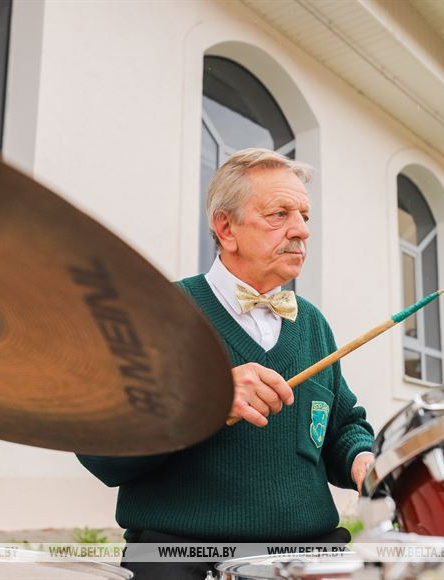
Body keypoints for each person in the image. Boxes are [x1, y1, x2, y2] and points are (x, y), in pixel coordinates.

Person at [77, 148, 375, 579]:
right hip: (183, 558)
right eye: (280, 214)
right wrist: (203, 398)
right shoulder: (160, 312)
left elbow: (342, 426)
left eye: (305, 216)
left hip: (309, 555)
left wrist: (363, 460)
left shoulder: (311, 322)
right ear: (225, 227)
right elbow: (99, 449)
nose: (301, 231)